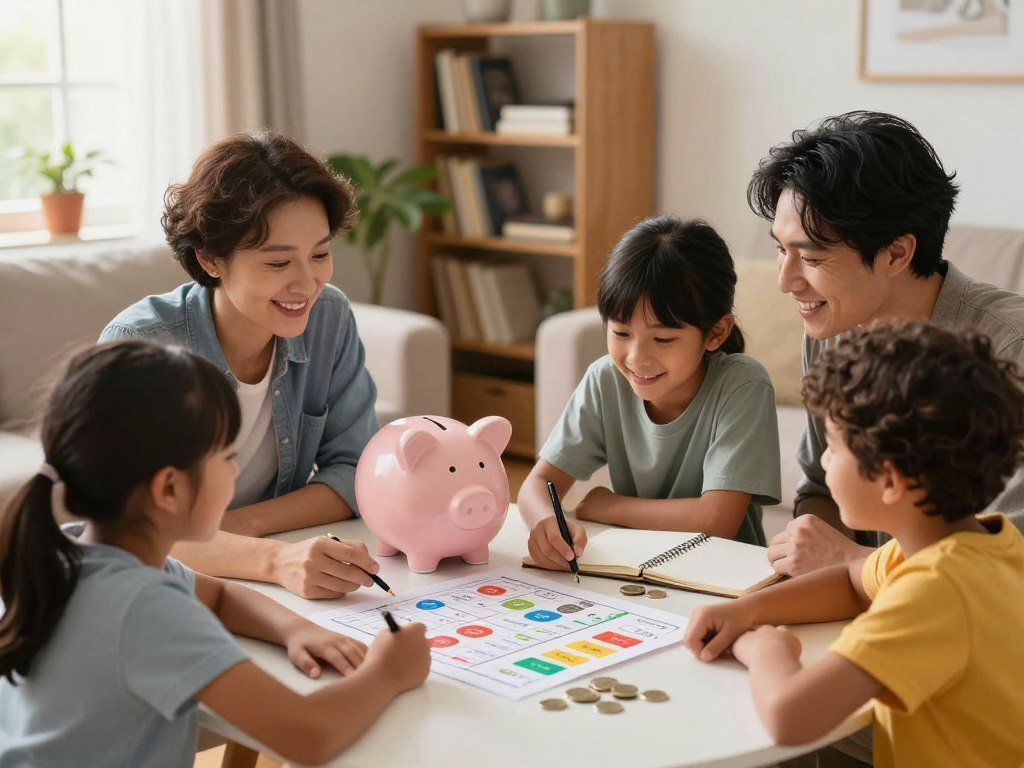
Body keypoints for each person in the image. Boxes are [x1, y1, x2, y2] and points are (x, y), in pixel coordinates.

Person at [0, 340, 431, 767]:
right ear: (169, 488)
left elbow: (220, 597)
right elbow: (308, 733)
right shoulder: (146, 608)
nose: (235, 470)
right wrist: (389, 672)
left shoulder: (68, 555)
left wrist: (296, 630)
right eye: (226, 456)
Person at [683, 320, 1024, 768]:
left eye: (833, 447)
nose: (823, 462)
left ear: (889, 479)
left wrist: (765, 650)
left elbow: (791, 717)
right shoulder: (973, 541)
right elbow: (851, 581)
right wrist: (748, 610)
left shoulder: (934, 592)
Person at [101, 131, 381, 599]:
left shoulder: (327, 317)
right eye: (278, 264)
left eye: (320, 254)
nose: (307, 283)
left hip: (256, 564)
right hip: (147, 588)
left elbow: (356, 469)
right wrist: (273, 559)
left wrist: (243, 526)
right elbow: (127, 532)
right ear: (211, 259)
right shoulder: (141, 347)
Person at [748, 110, 1024, 578]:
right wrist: (812, 554)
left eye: (811, 256)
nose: (785, 282)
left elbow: (1008, 565)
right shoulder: (834, 327)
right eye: (780, 249)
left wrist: (854, 563)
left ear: (897, 252)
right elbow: (819, 487)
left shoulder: (1009, 354)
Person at [519, 215, 781, 571]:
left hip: (723, 578)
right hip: (635, 571)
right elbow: (538, 484)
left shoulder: (742, 385)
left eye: (663, 339)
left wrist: (608, 506)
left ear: (716, 333)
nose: (637, 358)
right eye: (621, 333)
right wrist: (547, 523)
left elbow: (717, 519)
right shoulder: (604, 380)